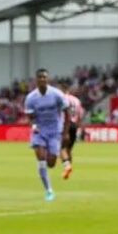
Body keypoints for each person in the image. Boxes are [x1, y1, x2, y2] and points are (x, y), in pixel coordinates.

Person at [24, 69, 70, 201]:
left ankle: (49, 183)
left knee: (51, 163)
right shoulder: (31, 98)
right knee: (41, 158)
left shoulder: (56, 94)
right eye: (40, 77)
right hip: (39, 131)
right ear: (36, 80)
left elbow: (67, 113)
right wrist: (33, 125)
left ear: (48, 79)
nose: (42, 79)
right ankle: (49, 190)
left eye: (45, 77)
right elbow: (30, 115)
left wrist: (65, 133)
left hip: (55, 131)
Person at [59, 83, 84, 180]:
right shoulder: (77, 100)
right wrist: (78, 126)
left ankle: (67, 166)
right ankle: (68, 172)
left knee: (61, 148)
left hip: (65, 125)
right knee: (69, 149)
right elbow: (80, 114)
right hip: (74, 125)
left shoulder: (61, 99)